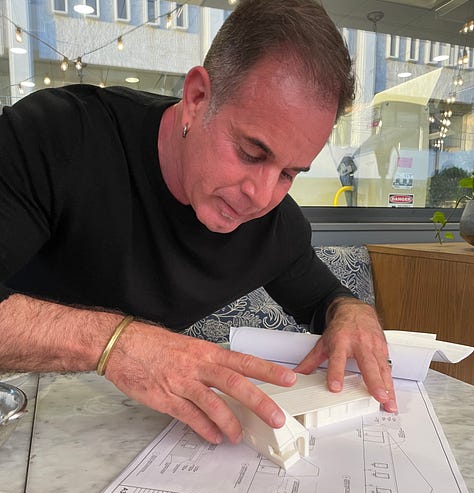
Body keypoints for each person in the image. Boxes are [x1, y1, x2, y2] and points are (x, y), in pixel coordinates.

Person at [0, 0, 397, 446]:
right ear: (196, 99)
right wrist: (117, 344)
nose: (261, 196)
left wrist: (353, 312)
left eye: (289, 173)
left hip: (133, 444)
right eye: (251, 152)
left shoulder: (274, 226)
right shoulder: (59, 135)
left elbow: (326, 298)